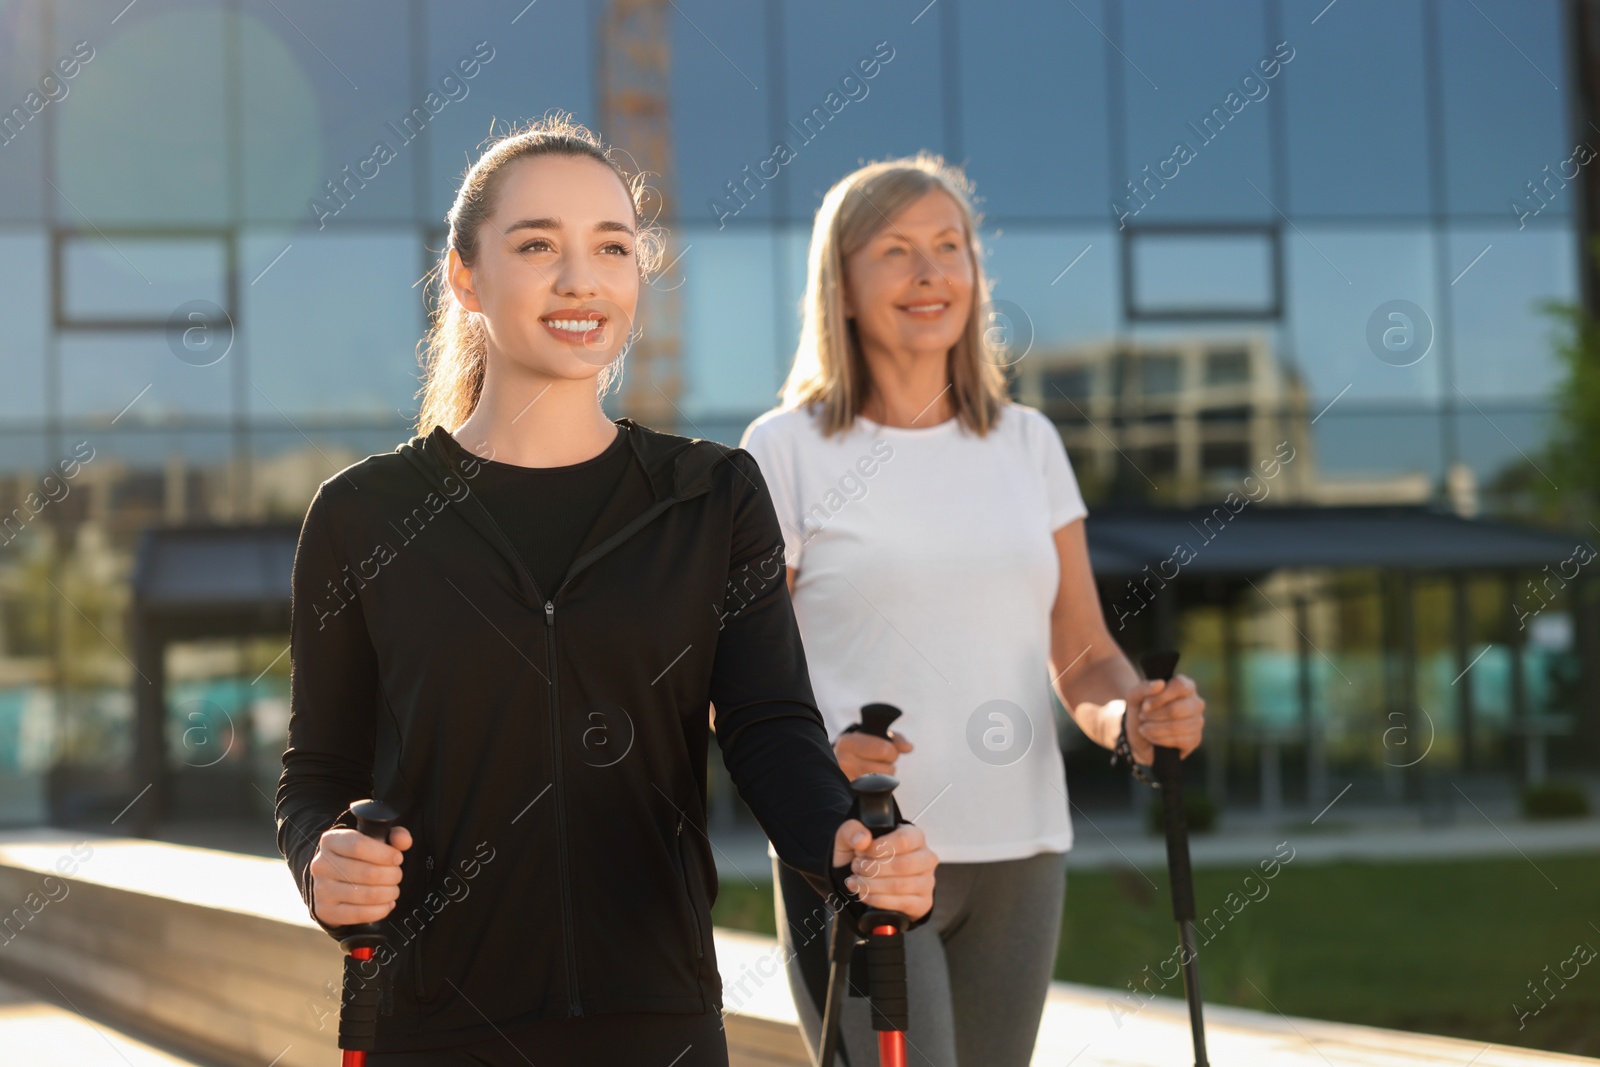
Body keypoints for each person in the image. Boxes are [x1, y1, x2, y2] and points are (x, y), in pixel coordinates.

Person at [274, 114, 937, 1067]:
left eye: (613, 247)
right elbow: (318, 775)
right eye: (537, 244)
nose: (581, 277)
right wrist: (319, 862)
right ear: (466, 279)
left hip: (657, 1021)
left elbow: (767, 724)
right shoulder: (362, 516)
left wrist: (847, 843)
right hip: (434, 1025)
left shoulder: (710, 496)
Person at [739, 153, 1208, 1067]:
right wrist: (819, 756)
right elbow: (741, 676)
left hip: (1021, 850)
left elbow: (1080, 653)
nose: (931, 272)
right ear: (839, 286)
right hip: (859, 844)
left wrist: (1133, 719)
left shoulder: (1027, 443)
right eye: (898, 250)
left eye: (950, 246)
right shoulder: (782, 450)